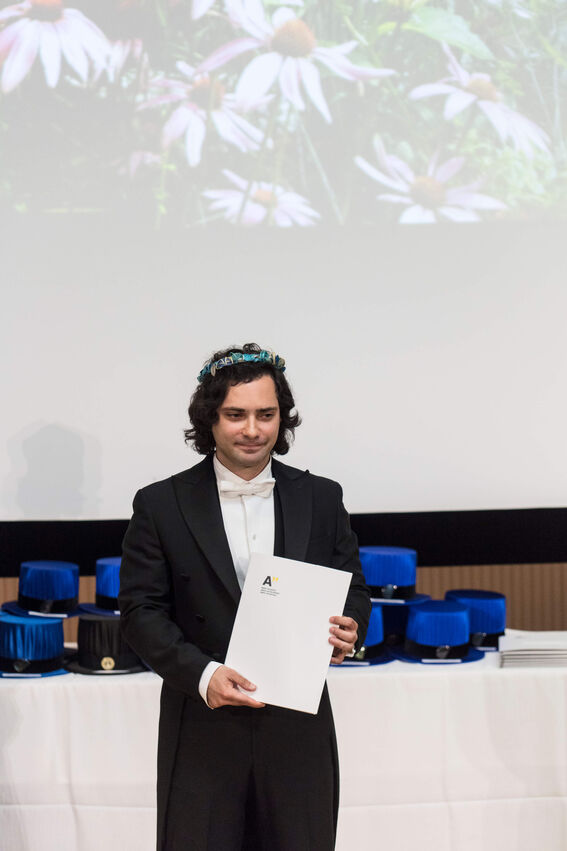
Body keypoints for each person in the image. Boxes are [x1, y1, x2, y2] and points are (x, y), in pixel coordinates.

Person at [119, 343, 371, 851]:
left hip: (298, 726)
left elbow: (353, 588)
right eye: (236, 415)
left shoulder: (323, 497)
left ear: (283, 418)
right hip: (204, 724)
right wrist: (205, 676)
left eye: (266, 414)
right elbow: (141, 613)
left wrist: (350, 626)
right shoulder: (160, 504)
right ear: (209, 419)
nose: (252, 430)